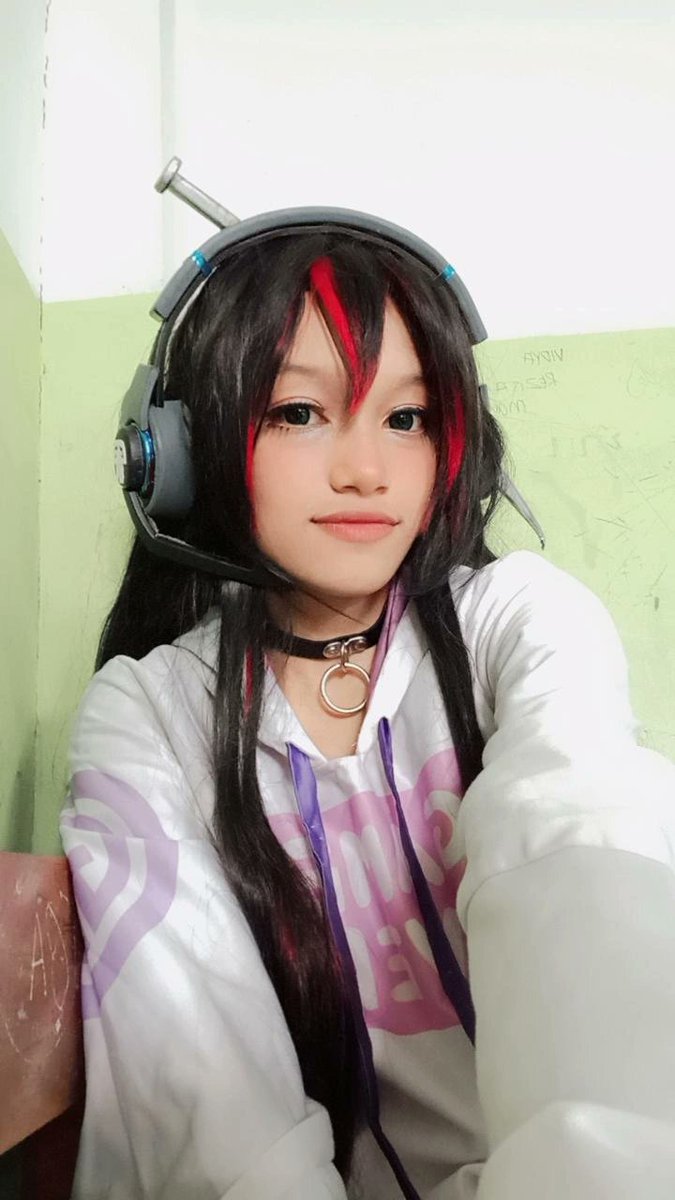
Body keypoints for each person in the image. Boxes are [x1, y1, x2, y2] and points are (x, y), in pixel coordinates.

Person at [61, 225, 675, 1200]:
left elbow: (579, 851)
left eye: (407, 418)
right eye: (301, 411)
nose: (366, 470)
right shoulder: (150, 712)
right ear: (178, 451)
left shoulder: (521, 621)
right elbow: (204, 1088)